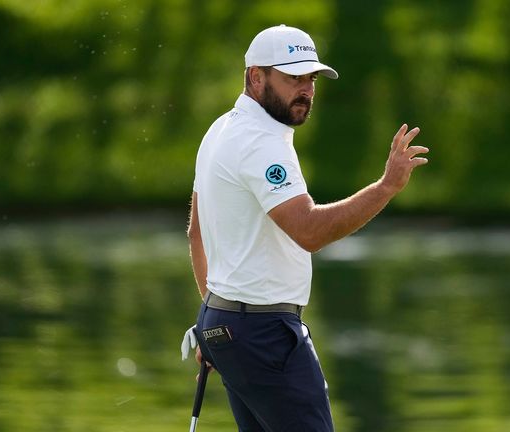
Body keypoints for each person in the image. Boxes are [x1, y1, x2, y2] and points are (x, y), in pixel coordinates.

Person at [183, 24, 428, 431]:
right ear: (256, 76)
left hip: (228, 325)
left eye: (310, 78)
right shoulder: (261, 142)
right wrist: (386, 188)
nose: (307, 89)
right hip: (264, 335)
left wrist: (214, 324)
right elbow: (309, 231)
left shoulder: (221, 129)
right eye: (293, 77)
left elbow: (197, 232)